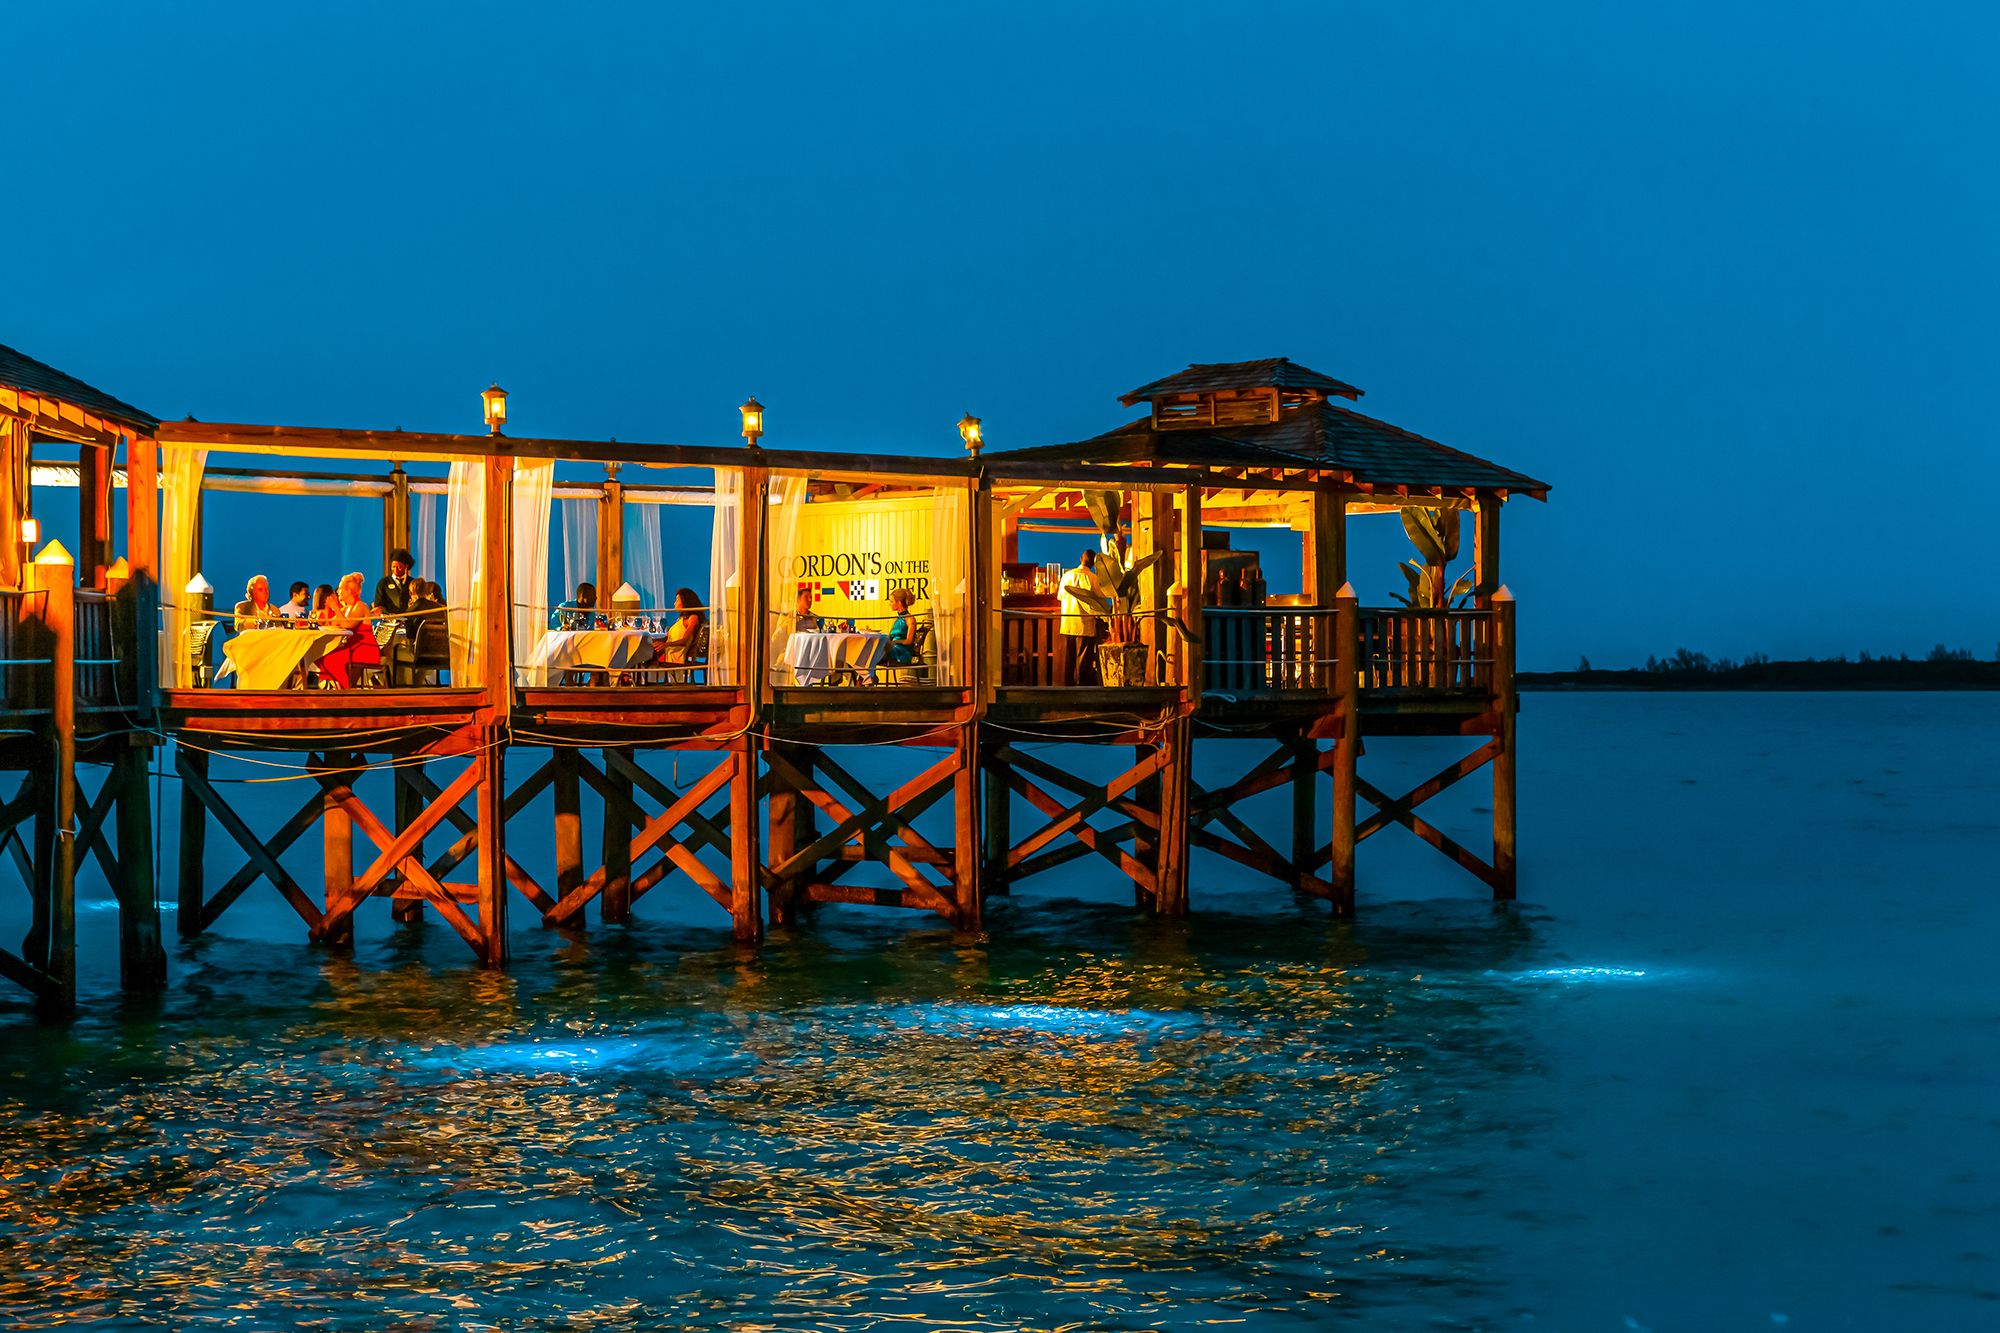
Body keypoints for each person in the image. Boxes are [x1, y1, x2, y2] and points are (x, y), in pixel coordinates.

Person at [314, 572, 382, 689]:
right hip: (353, 647)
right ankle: (342, 686)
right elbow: (330, 623)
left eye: (340, 589)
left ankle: (345, 688)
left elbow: (348, 625)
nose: (338, 592)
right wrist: (326, 608)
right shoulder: (346, 608)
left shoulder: (361, 606)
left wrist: (335, 607)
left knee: (331, 658)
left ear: (349, 591)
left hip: (365, 649)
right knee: (319, 655)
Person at [1059, 549, 1105, 686]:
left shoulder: (1067, 576)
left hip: (1068, 622)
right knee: (1083, 660)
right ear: (1093, 563)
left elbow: (1060, 597)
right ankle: (1081, 689)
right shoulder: (1093, 578)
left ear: (1080, 559)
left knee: (1069, 658)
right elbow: (1100, 602)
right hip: (1085, 624)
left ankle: (1067, 688)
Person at [374, 548, 415, 617]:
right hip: (389, 621)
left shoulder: (413, 583)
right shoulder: (383, 583)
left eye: (399, 567)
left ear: (406, 566)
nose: (395, 570)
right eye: (393, 567)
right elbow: (379, 605)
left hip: (409, 622)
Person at [885, 587, 919, 666]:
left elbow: (909, 641)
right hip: (893, 648)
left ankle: (869, 676)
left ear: (899, 602)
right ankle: (870, 676)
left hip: (902, 652)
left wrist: (895, 642)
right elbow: (890, 636)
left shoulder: (910, 619)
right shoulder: (897, 619)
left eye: (892, 601)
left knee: (875, 653)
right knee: (872, 650)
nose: (890, 604)